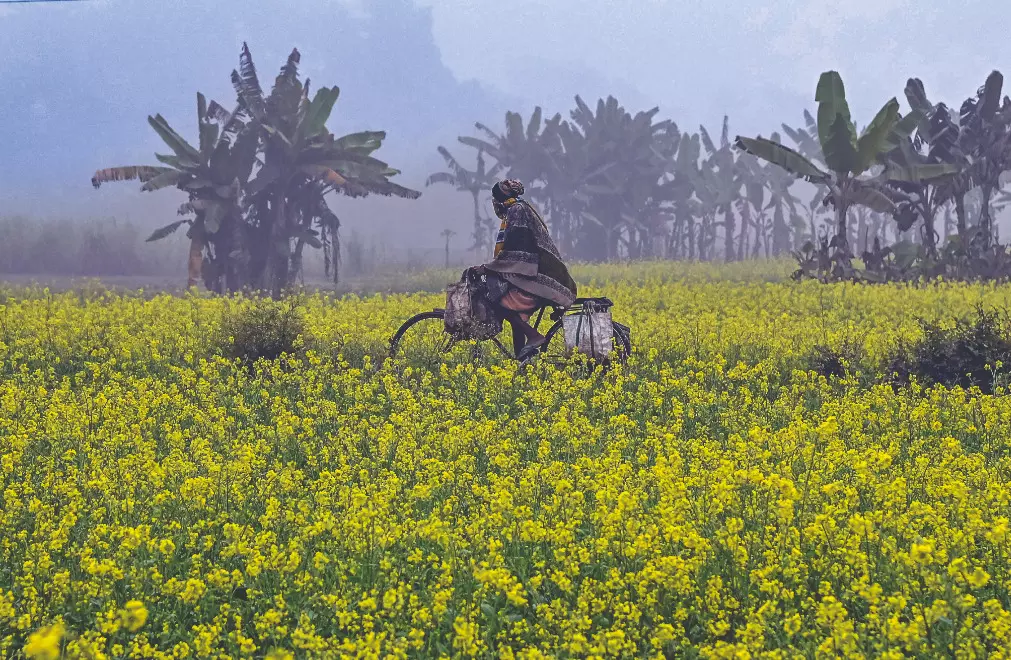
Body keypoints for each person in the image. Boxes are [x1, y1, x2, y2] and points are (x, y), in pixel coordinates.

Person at [467, 179, 577, 361]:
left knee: (500, 304)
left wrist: (487, 268)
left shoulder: (517, 211)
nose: (494, 203)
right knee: (513, 311)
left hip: (539, 277)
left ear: (500, 199)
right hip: (535, 273)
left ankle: (534, 337)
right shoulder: (520, 208)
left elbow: (515, 250)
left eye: (494, 198)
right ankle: (522, 362)